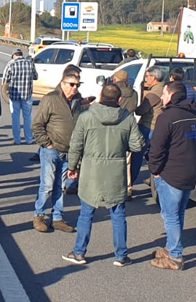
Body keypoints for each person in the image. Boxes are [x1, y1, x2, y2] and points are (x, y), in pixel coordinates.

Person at [64, 83, 145, 267]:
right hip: (115, 171)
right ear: (119, 99)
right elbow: (137, 146)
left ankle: (79, 252)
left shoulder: (86, 117)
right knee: (118, 214)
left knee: (86, 213)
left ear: (100, 96)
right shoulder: (128, 118)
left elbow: (76, 144)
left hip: (91, 170)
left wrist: (72, 166)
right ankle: (121, 255)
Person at [148, 81, 196, 270]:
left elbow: (156, 147)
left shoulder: (168, 117)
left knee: (170, 215)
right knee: (178, 212)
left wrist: (155, 170)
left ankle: (175, 255)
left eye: (164, 94)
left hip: (171, 173)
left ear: (171, 95)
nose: (163, 98)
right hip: (191, 171)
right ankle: (171, 246)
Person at [30, 67, 83, 234]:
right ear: (63, 83)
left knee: (60, 186)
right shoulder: (51, 99)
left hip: (69, 151)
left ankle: (57, 217)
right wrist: (47, 144)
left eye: (78, 85)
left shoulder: (78, 100)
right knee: (47, 185)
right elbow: (37, 125)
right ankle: (39, 215)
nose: (75, 88)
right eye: (72, 84)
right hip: (52, 149)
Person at [131, 66, 166, 195]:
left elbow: (140, 110)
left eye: (147, 76)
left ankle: (130, 182)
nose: (146, 79)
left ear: (154, 77)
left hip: (149, 126)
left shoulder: (154, 93)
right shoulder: (165, 88)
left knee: (137, 155)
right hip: (158, 126)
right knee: (154, 155)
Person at [1, 49, 38, 145]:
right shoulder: (30, 63)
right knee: (27, 117)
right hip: (27, 94)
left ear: (14, 55)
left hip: (14, 95)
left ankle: (17, 139)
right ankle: (29, 139)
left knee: (15, 117)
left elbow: (5, 80)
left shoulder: (11, 65)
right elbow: (36, 76)